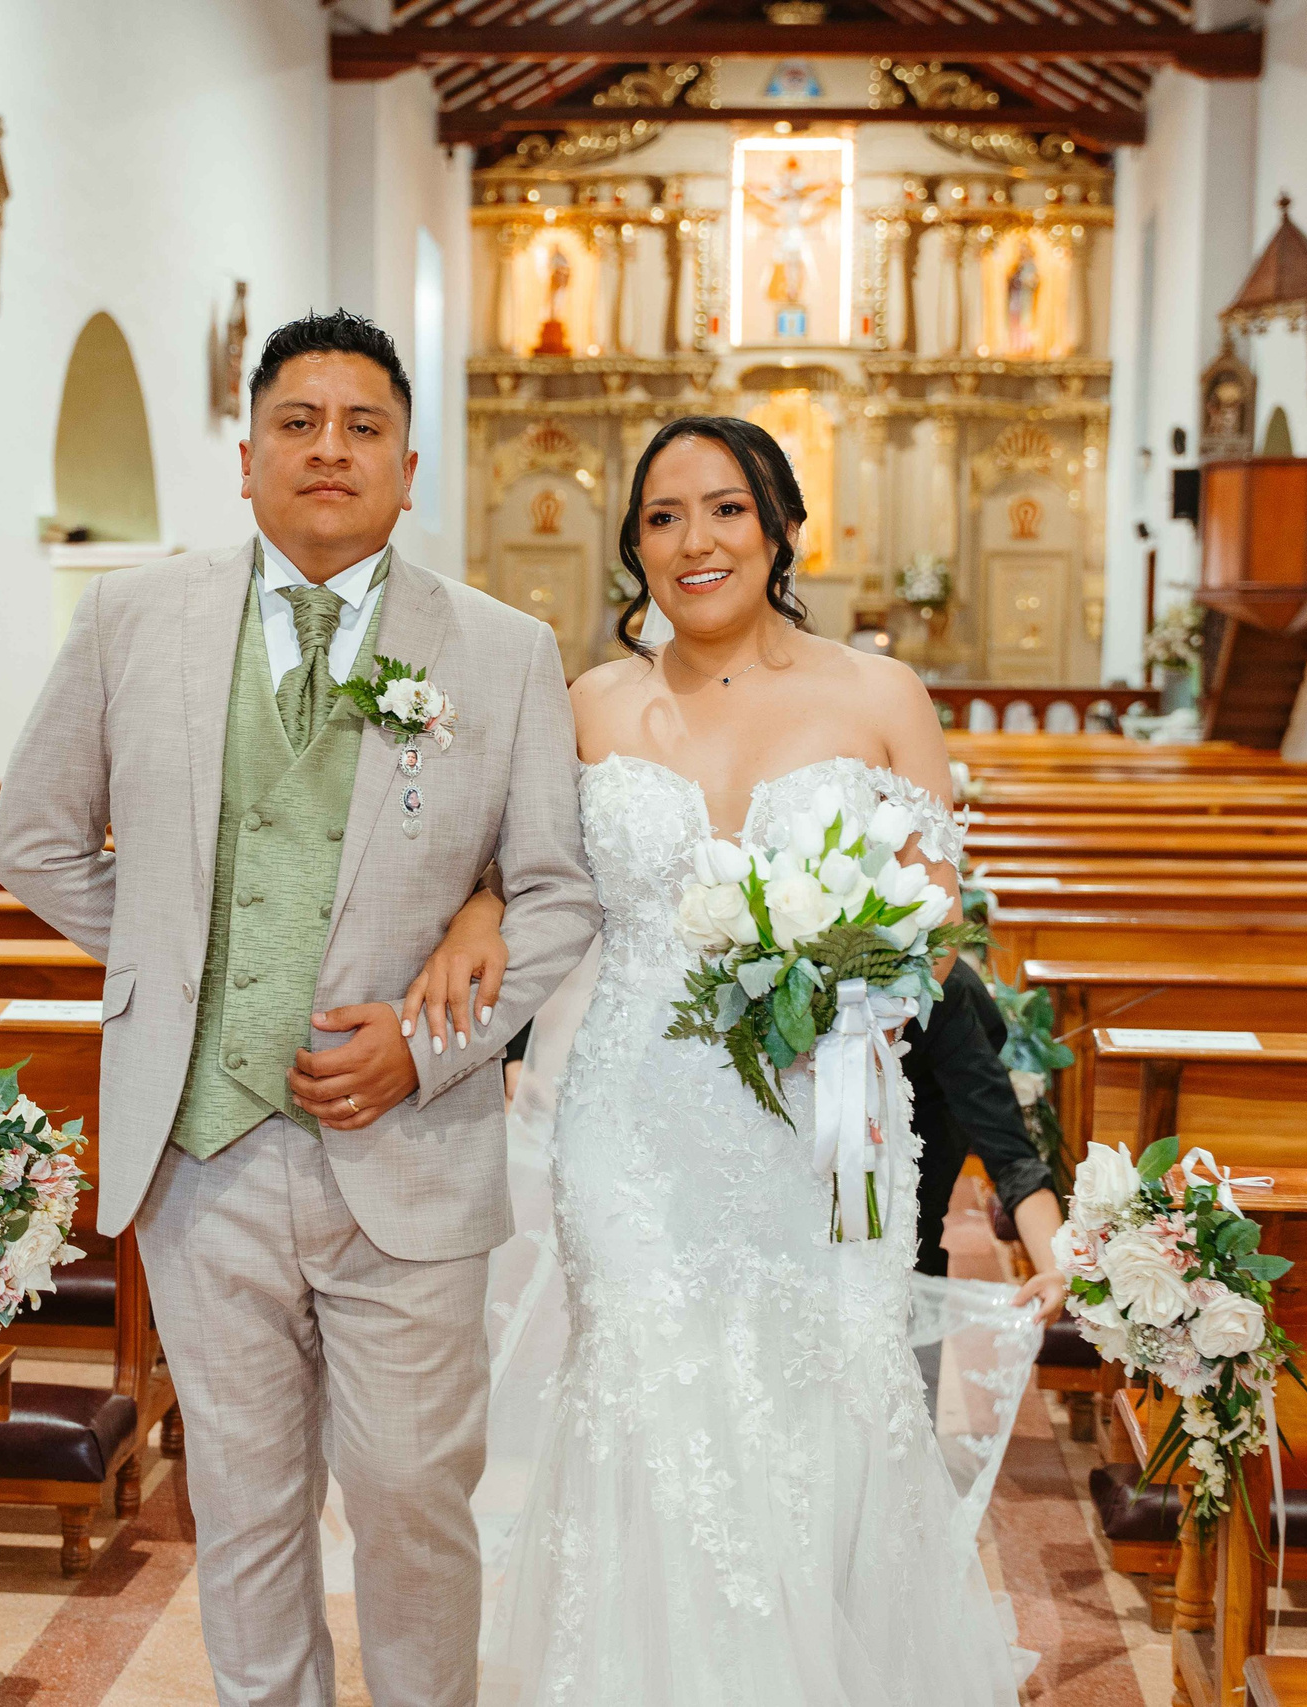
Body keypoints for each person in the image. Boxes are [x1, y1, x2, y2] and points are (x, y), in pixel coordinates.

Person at [0, 310, 598, 1707]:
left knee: (409, 1498)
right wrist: (175, 965)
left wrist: (433, 1043)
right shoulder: (132, 618)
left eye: (363, 426)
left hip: (415, 1160)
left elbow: (556, 890)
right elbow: (35, 837)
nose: (330, 448)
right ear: (248, 454)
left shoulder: (502, 649)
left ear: (408, 464)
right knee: (245, 1508)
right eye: (299, 422)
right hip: (205, 1152)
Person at [402, 416, 1039, 1703]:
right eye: (661, 517)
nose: (694, 540)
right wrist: (477, 913)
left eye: (725, 509)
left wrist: (846, 967)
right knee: (648, 1385)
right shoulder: (585, 704)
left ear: (782, 526)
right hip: (635, 1118)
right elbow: (509, 870)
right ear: (633, 546)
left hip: (833, 1114)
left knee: (834, 1394)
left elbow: (937, 921)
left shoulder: (877, 696)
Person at [909, 957, 1069, 1301]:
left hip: (920, 1134)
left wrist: (1054, 1271)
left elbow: (1011, 1157)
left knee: (913, 1233)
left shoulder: (944, 992)